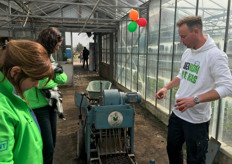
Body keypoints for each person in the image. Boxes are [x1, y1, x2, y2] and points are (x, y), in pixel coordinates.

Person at [155, 15, 232, 164]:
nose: (181, 41)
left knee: (195, 159)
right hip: (178, 114)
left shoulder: (215, 56)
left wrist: (195, 100)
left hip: (196, 121)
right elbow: (182, 75)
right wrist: (166, 87)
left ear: (196, 31)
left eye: (183, 37)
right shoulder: (188, 52)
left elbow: (227, 87)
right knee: (172, 149)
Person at [0, 40, 54, 164]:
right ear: (15, 72)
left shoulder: (14, 97)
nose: (37, 84)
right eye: (35, 79)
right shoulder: (2, 110)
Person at [24, 27, 68, 164]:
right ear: (50, 42)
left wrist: (50, 78)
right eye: (58, 44)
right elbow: (40, 82)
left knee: (52, 143)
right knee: (46, 146)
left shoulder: (49, 56)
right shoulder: (35, 55)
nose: (59, 47)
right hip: (37, 107)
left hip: (51, 104)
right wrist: (51, 79)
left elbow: (63, 79)